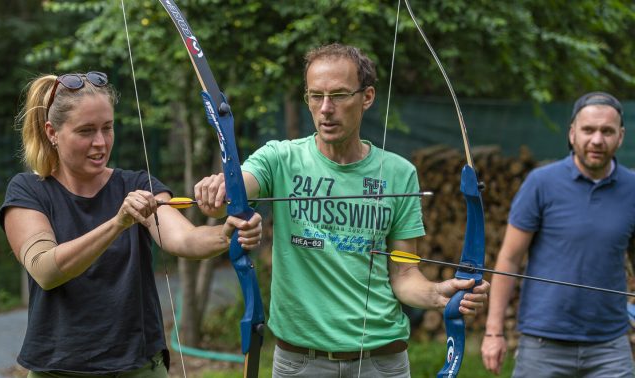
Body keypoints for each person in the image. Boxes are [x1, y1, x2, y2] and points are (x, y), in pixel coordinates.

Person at [194, 43, 490, 377]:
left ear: (367, 97)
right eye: (315, 96)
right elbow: (236, 191)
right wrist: (219, 191)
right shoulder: (279, 157)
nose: (325, 108)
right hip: (301, 361)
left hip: (381, 360)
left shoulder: (398, 173)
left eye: (338, 95)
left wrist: (437, 295)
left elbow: (405, 272)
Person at [0, 71, 263, 377]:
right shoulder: (28, 191)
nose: (100, 142)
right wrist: (117, 223)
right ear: (52, 132)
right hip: (57, 370)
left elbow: (184, 240)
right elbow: (46, 270)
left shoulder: (136, 184)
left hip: (138, 368)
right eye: (85, 131)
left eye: (107, 128)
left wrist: (227, 234)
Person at [480, 91, 635, 377]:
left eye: (607, 131)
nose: (597, 140)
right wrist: (493, 332)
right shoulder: (541, 183)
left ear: (621, 136)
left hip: (610, 347)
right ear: (572, 133)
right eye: (588, 130)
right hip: (543, 344)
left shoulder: (632, 188)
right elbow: (510, 259)